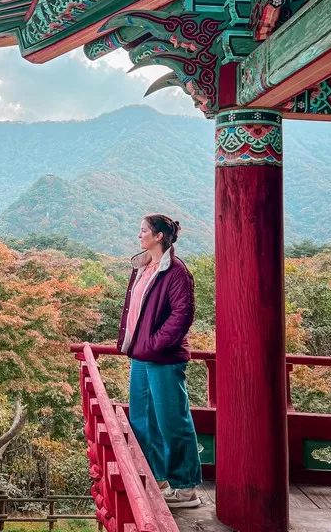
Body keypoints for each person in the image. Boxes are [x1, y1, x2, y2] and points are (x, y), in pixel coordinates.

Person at [117, 214, 202, 508]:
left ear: (159, 236)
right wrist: (139, 345)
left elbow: (182, 316)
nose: (139, 235)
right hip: (141, 355)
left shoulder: (176, 271)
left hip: (163, 357)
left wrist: (154, 344)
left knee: (172, 420)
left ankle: (185, 487)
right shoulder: (144, 267)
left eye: (143, 231)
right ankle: (159, 477)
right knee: (143, 419)